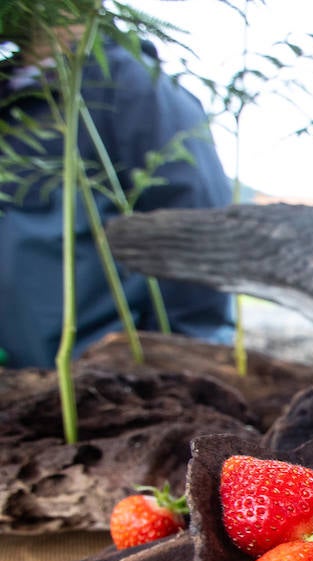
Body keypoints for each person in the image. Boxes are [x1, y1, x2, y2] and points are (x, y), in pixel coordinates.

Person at [0, 19, 234, 369]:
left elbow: (199, 238)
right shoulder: (11, 93)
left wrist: (181, 370)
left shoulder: (134, 85)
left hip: (106, 379)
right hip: (19, 379)